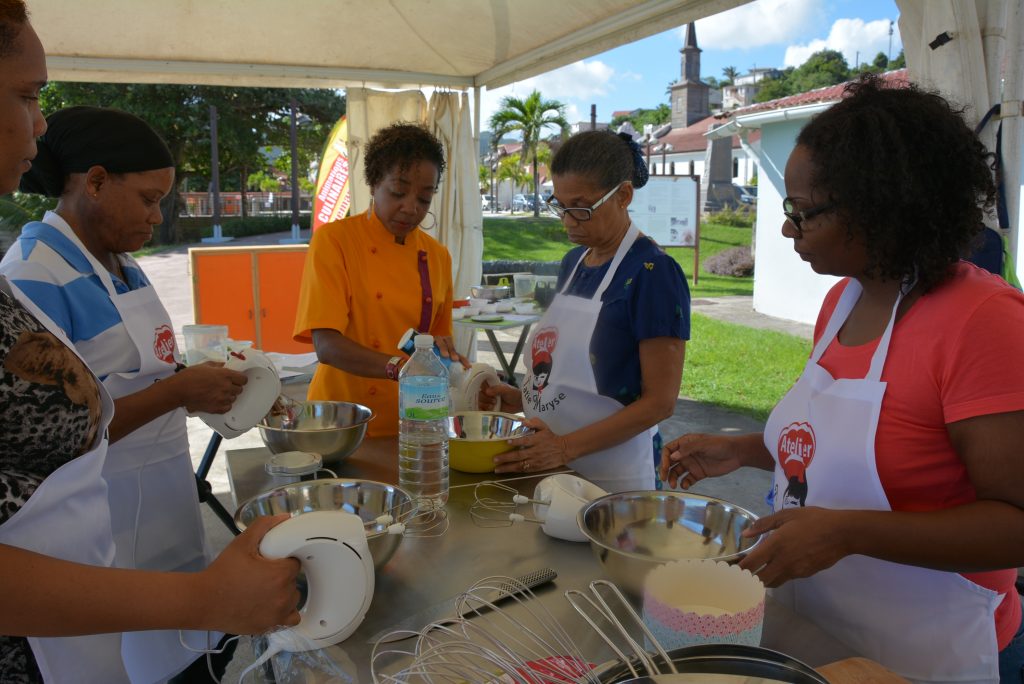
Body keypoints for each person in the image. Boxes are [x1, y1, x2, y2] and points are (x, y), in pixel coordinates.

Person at [660, 75, 1024, 683]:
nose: (787, 231)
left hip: (933, 649)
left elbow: (1016, 524)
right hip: (823, 632)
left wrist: (848, 534)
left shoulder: (983, 322)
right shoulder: (842, 304)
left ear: (879, 207)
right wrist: (748, 449)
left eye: (802, 214)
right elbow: (852, 443)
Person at [0, 4, 299, 681]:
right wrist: (179, 390)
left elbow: (142, 375)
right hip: (94, 540)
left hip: (162, 502)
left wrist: (214, 380)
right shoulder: (33, 277)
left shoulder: (122, 264)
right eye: (145, 198)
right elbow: (74, 428)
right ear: (95, 181)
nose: (155, 218)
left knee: (186, 659)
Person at [483, 130, 689, 492]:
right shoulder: (574, 261)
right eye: (560, 206)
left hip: (614, 478)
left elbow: (660, 402)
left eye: (580, 208)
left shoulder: (652, 274)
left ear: (623, 195)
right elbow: (570, 373)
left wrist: (563, 447)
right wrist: (518, 398)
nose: (567, 221)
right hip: (552, 468)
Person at [294, 122, 463, 437]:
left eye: (425, 199)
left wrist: (470, 376)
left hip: (411, 419)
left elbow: (437, 350)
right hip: (341, 420)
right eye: (398, 192)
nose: (411, 208)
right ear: (373, 183)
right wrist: (400, 368)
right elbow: (327, 345)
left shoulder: (437, 256)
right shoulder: (335, 241)